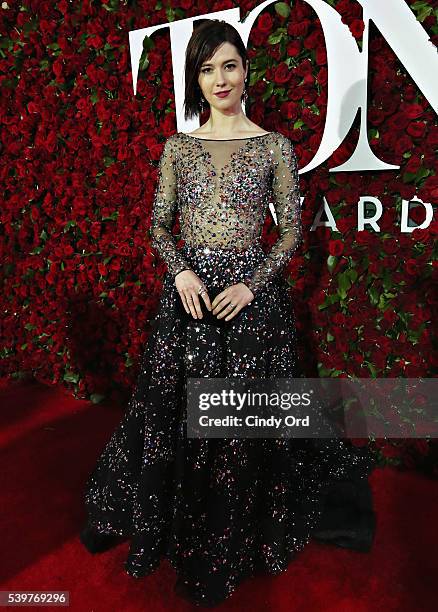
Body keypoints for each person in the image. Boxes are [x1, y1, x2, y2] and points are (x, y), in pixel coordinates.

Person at [80, 19, 376, 608]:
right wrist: (182, 270)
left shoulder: (275, 148)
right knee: (176, 417)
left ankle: (233, 534)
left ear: (246, 71)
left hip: (249, 302)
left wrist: (251, 283)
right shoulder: (178, 149)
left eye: (230, 65)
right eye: (207, 67)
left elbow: (291, 234)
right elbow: (158, 228)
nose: (220, 78)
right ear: (195, 76)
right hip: (189, 302)